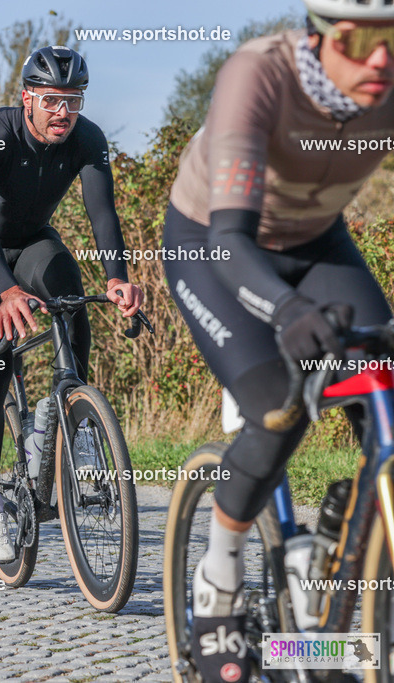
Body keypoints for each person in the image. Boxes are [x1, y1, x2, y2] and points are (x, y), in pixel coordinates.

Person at [164, 0, 394, 679]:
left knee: (379, 377)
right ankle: (219, 582)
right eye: (360, 39)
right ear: (320, 36)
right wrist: (288, 311)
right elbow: (230, 239)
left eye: (393, 38)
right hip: (214, 242)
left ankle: (341, 550)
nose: (380, 58)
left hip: (317, 242)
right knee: (276, 406)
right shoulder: (257, 75)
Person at [0, 46, 144, 563]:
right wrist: (8, 290)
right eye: (52, 100)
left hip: (32, 240)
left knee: (72, 304)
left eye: (73, 100)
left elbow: (103, 215)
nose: (63, 112)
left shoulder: (89, 139)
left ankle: (67, 428)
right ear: (28, 98)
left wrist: (117, 278)